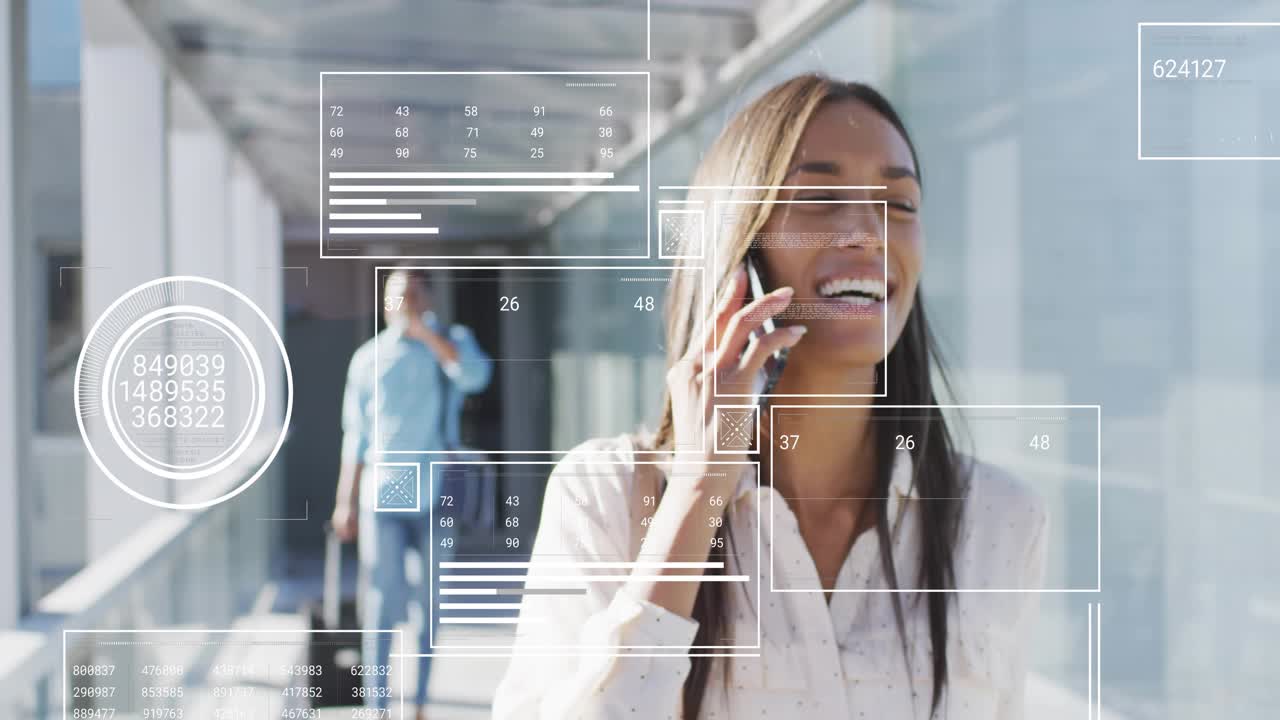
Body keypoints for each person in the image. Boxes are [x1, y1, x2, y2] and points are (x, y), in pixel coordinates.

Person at [493, 74, 1048, 718]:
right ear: (740, 248)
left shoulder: (998, 519)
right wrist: (699, 489)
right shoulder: (606, 494)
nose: (869, 232)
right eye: (819, 197)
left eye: (898, 204)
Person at [332, 268, 492, 720]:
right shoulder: (368, 359)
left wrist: (428, 336)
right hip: (383, 494)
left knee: (430, 604)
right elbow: (355, 435)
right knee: (382, 602)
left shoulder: (452, 342)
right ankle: (377, 708)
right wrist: (346, 500)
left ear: (428, 299)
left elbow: (475, 377)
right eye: (396, 295)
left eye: (412, 295)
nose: (403, 303)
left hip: (434, 490)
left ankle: (419, 702)